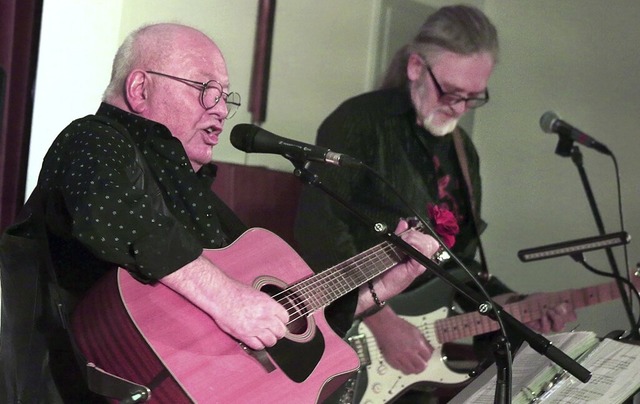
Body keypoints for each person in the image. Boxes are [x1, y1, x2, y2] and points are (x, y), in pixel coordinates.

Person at [0, 23, 442, 403]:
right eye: (204, 89)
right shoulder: (96, 139)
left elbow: (288, 315)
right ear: (140, 89)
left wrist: (382, 287)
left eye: (224, 96)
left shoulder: (197, 194)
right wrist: (230, 300)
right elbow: (120, 220)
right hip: (70, 382)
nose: (219, 108)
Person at [294, 5, 577, 402]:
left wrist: (519, 309)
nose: (459, 108)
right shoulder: (359, 122)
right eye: (450, 92)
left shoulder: (464, 153)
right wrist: (380, 320)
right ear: (415, 68)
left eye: (473, 98)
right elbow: (318, 231)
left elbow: (460, 265)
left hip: (423, 359)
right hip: (349, 333)